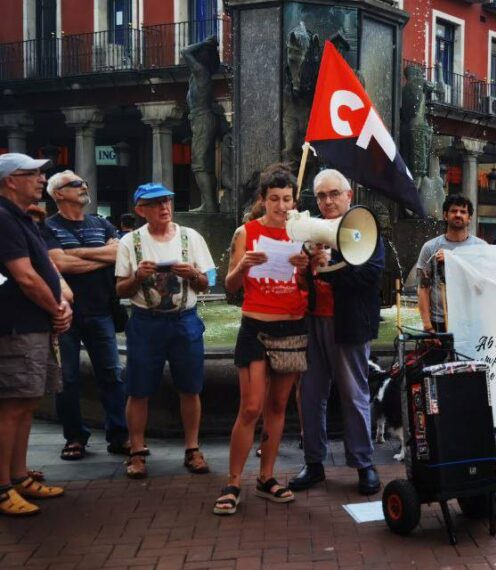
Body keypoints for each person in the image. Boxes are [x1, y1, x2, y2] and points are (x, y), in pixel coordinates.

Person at [214, 166, 311, 515]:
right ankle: (233, 480)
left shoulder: (304, 234)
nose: (281, 206)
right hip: (256, 325)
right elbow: (229, 286)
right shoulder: (247, 231)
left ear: (294, 201)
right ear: (263, 200)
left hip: (292, 327)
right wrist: (244, 266)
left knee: (277, 406)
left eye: (287, 199)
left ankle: (267, 477)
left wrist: (304, 270)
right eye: (274, 199)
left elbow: (306, 291)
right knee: (251, 406)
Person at [288, 169, 384, 496]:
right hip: (313, 321)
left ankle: (363, 464)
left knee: (354, 396)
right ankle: (313, 462)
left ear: (348, 196)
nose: (327, 201)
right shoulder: (312, 230)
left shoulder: (364, 229)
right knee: (311, 396)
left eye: (333, 194)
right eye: (321, 196)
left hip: (350, 325)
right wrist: (304, 268)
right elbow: (302, 281)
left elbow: (369, 277)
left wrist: (328, 267)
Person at [114, 184, 215, 478]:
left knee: (191, 387)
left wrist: (193, 274)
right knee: (138, 388)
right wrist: (138, 276)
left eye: (167, 201)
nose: (164, 207)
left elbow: (206, 283)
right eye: (155, 203)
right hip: (146, 321)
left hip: (185, 320)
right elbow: (121, 289)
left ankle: (193, 448)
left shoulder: (190, 237)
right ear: (140, 209)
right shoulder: (129, 242)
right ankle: (136, 450)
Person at [40, 170, 129, 461]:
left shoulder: (101, 223)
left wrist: (75, 254)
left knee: (112, 375)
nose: (83, 186)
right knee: (67, 379)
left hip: (101, 309)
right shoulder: (46, 227)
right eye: (75, 184)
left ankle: (119, 436)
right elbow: (58, 264)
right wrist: (98, 254)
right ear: (58, 194)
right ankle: (75, 438)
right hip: (63, 313)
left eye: (83, 182)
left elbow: (119, 255)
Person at [0, 152, 69, 516]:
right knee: (11, 407)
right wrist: (56, 308)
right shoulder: (2, 217)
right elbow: (25, 276)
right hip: (16, 327)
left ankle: (19, 476)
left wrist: (60, 303)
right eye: (33, 174)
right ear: (11, 180)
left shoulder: (21, 217)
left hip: (33, 325)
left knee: (26, 403)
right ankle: (2, 487)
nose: (42, 179)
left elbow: (46, 272)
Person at [416, 194, 487, 334]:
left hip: (471, 321)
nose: (458, 215)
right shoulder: (430, 248)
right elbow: (423, 289)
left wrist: (452, 259)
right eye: (454, 211)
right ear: (445, 215)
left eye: (463, 211)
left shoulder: (482, 248)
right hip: (439, 321)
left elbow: (486, 285)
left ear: (470, 217)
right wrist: (427, 326)